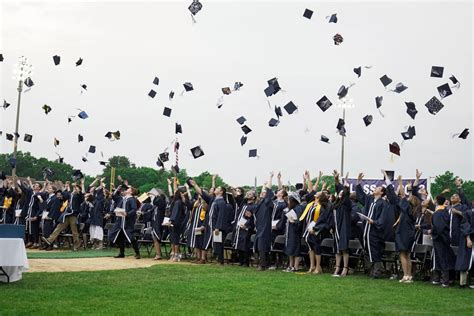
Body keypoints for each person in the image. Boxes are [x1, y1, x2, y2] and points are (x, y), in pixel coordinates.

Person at [385, 172, 417, 283]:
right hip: (409, 233)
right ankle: (409, 276)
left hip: (403, 232)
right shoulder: (411, 210)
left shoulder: (406, 207)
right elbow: (409, 195)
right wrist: (416, 180)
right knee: (407, 254)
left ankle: (405, 275)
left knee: (403, 254)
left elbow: (403, 195)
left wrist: (399, 182)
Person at [190, 177, 230, 264]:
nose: (216, 189)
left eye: (218, 188)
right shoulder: (213, 200)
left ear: (221, 192)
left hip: (216, 226)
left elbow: (221, 216)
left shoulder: (222, 202)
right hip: (209, 224)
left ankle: (220, 261)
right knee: (207, 242)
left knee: (218, 243)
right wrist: (195, 185)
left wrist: (217, 228)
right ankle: (205, 259)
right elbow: (202, 193)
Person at [356, 172, 387, 278]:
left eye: (378, 188)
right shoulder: (370, 200)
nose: (375, 189)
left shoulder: (383, 203)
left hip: (375, 232)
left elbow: (383, 218)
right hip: (366, 230)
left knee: (375, 251)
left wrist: (374, 222)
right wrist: (358, 182)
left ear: (382, 192)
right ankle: (370, 270)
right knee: (367, 250)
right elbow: (361, 196)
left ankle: (376, 272)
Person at [42, 179, 84, 251]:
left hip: (73, 215)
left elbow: (80, 193)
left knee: (74, 231)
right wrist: (62, 186)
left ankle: (76, 245)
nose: (75, 189)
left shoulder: (79, 196)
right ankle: (49, 240)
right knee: (59, 227)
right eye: (74, 188)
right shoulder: (71, 195)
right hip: (66, 215)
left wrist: (81, 184)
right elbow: (64, 195)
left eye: (76, 188)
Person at [106, 184, 141, 259]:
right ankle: (121, 253)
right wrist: (117, 189)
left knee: (131, 238)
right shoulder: (123, 199)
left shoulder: (132, 199)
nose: (126, 189)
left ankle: (137, 253)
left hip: (127, 222)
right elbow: (114, 197)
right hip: (120, 222)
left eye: (128, 189)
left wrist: (127, 214)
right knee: (120, 237)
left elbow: (134, 209)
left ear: (131, 192)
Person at [249, 172, 275, 271]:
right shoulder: (260, 203)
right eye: (262, 192)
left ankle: (263, 265)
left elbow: (269, 191)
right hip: (259, 227)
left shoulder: (268, 202)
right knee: (259, 245)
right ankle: (264, 263)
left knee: (262, 245)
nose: (262, 193)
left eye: (264, 192)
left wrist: (270, 178)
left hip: (265, 227)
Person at [430, 194, 454, 287]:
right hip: (445, 238)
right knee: (441, 258)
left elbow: (438, 227)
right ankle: (439, 278)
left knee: (440, 258)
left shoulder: (438, 213)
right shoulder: (445, 211)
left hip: (440, 239)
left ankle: (444, 280)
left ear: (436, 201)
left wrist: (433, 233)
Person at [332, 172, 352, 277]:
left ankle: (345, 268)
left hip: (344, 228)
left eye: (341, 193)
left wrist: (345, 183)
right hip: (337, 227)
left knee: (344, 248)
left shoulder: (347, 203)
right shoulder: (336, 204)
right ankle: (337, 267)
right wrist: (336, 179)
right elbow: (338, 188)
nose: (339, 194)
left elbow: (344, 191)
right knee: (337, 249)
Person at [233, 190, 255, 266]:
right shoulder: (243, 204)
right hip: (239, 226)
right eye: (247, 193)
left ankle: (246, 262)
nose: (248, 194)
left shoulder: (254, 206)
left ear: (253, 197)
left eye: (250, 194)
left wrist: (247, 225)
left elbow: (253, 218)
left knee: (245, 244)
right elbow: (236, 198)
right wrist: (233, 190)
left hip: (247, 228)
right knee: (239, 244)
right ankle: (241, 261)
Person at [283, 192, 303, 272]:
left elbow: (299, 221)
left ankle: (296, 266)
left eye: (289, 200)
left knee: (295, 249)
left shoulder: (298, 208)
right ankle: (290, 266)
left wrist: (293, 222)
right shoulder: (291, 209)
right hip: (290, 230)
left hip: (295, 231)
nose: (288, 202)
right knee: (290, 248)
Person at [169, 186, 188, 262]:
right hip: (178, 222)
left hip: (176, 222)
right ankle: (173, 253)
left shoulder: (178, 202)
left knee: (175, 238)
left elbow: (175, 213)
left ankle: (176, 254)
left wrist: (171, 220)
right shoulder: (179, 202)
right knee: (173, 238)